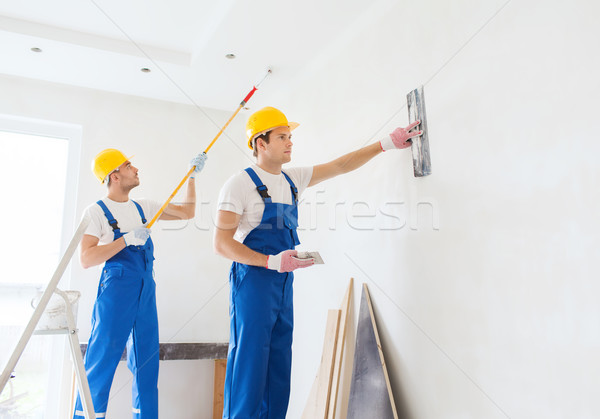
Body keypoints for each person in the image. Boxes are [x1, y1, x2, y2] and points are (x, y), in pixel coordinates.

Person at [214, 106, 421, 419]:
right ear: (260, 143)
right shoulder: (239, 184)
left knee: (279, 364)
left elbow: (340, 165)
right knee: (250, 365)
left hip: (283, 282)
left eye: (290, 137)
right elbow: (221, 243)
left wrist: (386, 144)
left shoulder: (292, 179)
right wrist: (270, 261)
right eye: (282, 136)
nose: (290, 142)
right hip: (253, 282)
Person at [73, 148, 207, 419]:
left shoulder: (142, 207)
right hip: (116, 291)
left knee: (146, 362)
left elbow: (187, 213)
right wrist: (124, 240)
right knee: (101, 361)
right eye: (128, 165)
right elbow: (86, 258)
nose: (135, 169)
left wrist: (192, 177)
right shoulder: (96, 212)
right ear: (115, 176)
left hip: (146, 289)